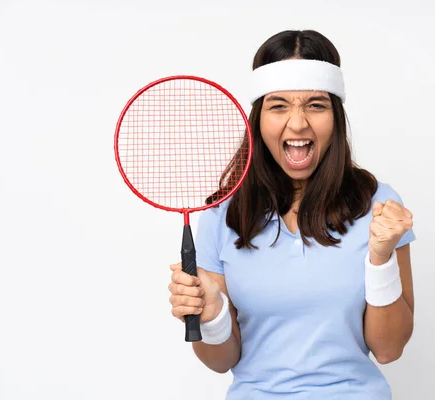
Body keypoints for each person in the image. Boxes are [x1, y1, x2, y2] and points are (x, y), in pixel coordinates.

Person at [168, 29, 416, 399]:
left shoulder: (377, 204)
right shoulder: (223, 213)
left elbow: (388, 349)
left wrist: (380, 260)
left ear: (336, 116)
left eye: (316, 105)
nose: (298, 124)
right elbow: (222, 360)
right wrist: (213, 314)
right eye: (279, 105)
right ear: (258, 117)